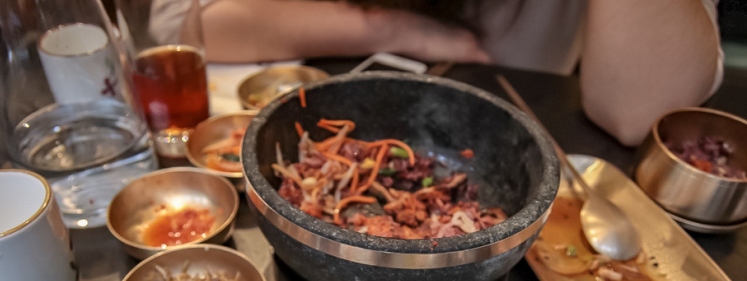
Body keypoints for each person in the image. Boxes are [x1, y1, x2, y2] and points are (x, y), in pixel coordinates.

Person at [152, 0, 723, 147]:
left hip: (514, 131)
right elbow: (183, 26)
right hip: (315, 113)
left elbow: (645, 108)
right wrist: (392, 28)